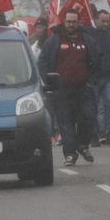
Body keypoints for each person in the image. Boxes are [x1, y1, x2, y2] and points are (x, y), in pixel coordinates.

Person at [39, 10, 99, 166]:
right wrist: (49, 81)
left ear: (79, 22)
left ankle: (82, 144)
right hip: (62, 90)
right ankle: (70, 154)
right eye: (68, 21)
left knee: (88, 117)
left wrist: (91, 80)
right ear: (63, 22)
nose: (71, 25)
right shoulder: (53, 42)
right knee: (66, 123)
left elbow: (97, 60)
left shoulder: (87, 40)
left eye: (74, 21)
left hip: (83, 88)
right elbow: (43, 63)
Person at [86, 9, 110, 145]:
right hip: (93, 78)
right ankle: (96, 134)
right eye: (103, 21)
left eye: (108, 21)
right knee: (94, 108)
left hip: (109, 77)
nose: (106, 24)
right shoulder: (89, 35)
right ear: (95, 20)